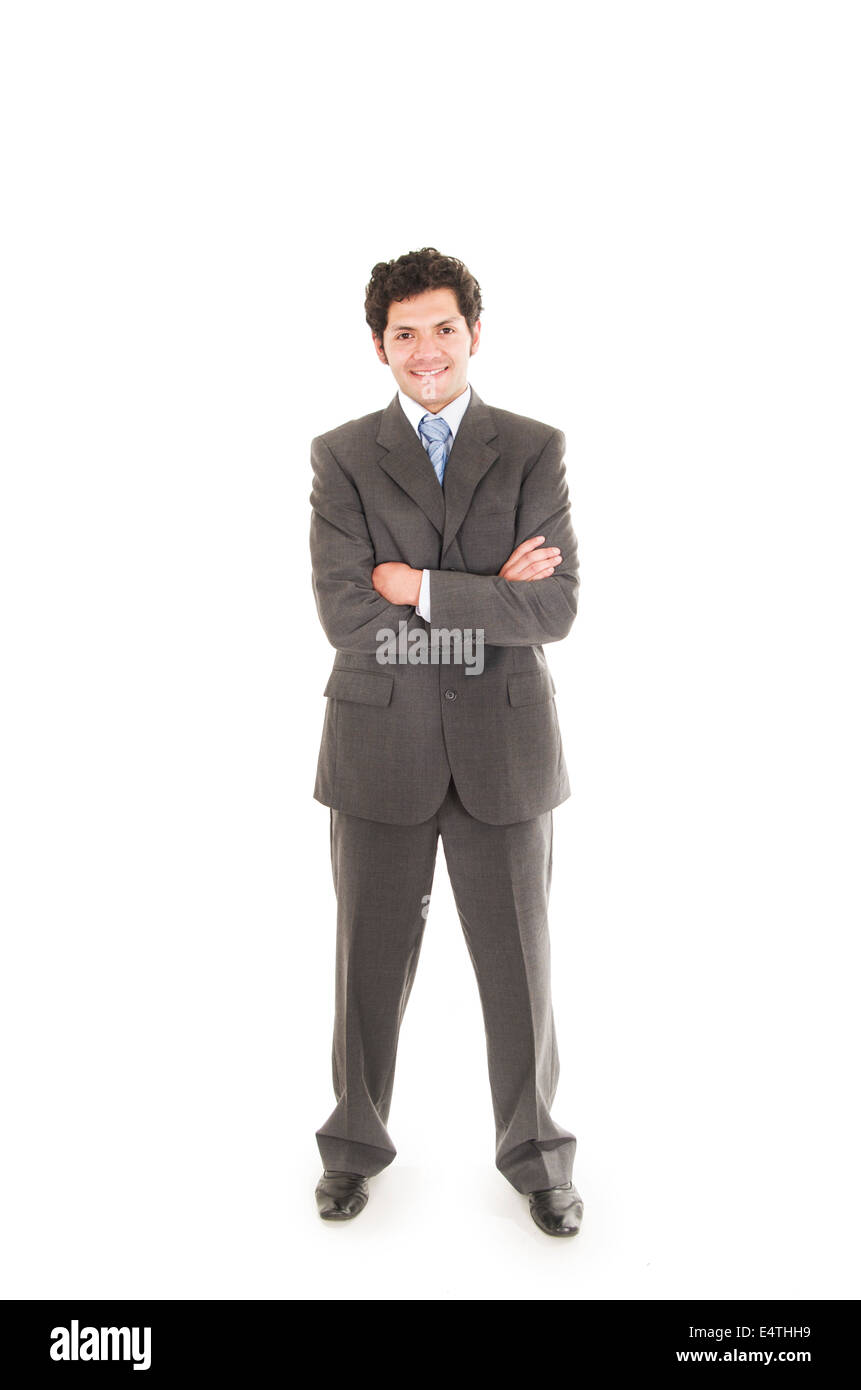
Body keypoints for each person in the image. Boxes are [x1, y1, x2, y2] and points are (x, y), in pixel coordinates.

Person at [308, 248, 583, 1236]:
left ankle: (537, 1153)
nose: (426, 351)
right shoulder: (341, 456)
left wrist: (417, 586)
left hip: (505, 756)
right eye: (404, 332)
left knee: (523, 971)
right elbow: (348, 617)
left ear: (476, 331)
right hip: (379, 752)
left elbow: (552, 608)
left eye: (444, 329)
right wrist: (485, 597)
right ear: (379, 342)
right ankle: (352, 1145)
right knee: (364, 969)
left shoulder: (534, 448)